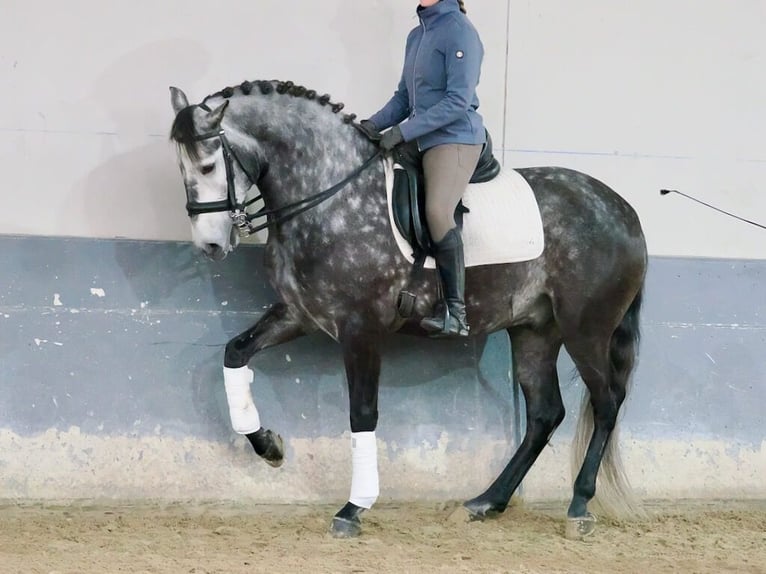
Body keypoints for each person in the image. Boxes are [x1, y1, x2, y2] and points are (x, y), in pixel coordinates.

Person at [359, 0, 485, 338]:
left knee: (437, 210)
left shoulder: (460, 31)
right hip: (421, 139)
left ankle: (456, 312)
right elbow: (403, 98)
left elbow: (458, 102)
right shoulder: (417, 35)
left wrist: (402, 132)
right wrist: (371, 126)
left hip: (454, 138)